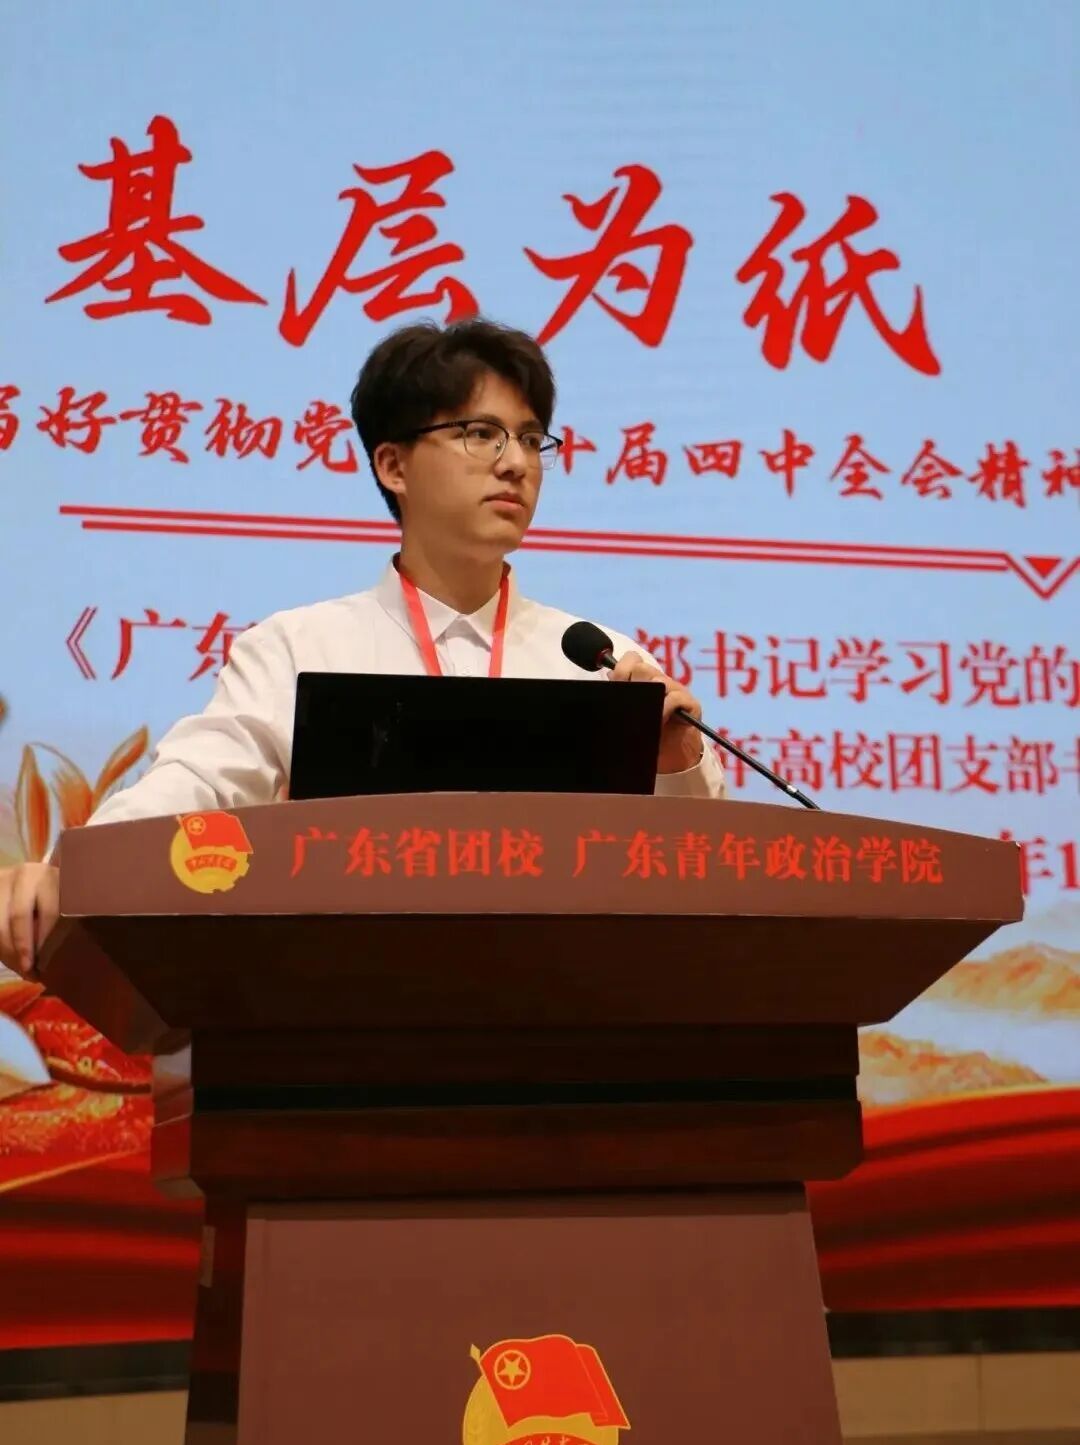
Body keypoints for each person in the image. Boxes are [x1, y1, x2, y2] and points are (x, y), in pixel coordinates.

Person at [0, 318, 724, 978]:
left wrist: (678, 762)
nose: (516, 463)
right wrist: (71, 873)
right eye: (481, 433)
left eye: (532, 439)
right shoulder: (299, 647)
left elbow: (698, 869)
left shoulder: (603, 662)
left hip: (569, 1011)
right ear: (393, 466)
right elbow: (194, 786)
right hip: (339, 1006)